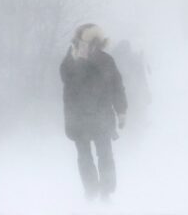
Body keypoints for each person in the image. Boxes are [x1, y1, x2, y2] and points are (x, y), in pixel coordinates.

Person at [60, 24, 127, 201]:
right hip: (78, 116)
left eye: (89, 43)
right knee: (84, 156)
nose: (85, 46)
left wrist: (121, 111)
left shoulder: (106, 60)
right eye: (82, 42)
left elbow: (117, 87)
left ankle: (106, 191)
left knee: (105, 154)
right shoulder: (70, 61)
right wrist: (79, 61)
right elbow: (69, 82)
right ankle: (90, 190)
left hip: (101, 115)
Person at [111, 40, 151, 127]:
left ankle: (133, 129)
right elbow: (141, 78)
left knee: (130, 112)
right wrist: (146, 92)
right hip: (131, 93)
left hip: (126, 93)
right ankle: (135, 129)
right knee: (134, 112)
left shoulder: (117, 61)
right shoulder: (133, 60)